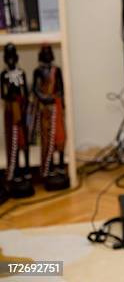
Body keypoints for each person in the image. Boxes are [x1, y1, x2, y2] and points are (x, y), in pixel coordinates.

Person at [30, 45, 69, 190]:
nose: (47, 56)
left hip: (56, 107)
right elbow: (35, 89)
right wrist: (44, 98)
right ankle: (50, 167)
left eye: (49, 54)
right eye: (44, 54)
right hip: (45, 109)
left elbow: (61, 88)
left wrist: (58, 100)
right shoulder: (37, 71)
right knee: (47, 139)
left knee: (60, 137)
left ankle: (60, 166)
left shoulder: (56, 70)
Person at [1, 43, 34, 197]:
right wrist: (11, 99)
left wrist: (24, 105)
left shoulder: (21, 73)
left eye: (13, 57)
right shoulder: (4, 75)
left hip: (21, 109)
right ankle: (17, 171)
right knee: (13, 143)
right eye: (8, 58)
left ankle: (27, 170)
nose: (11, 60)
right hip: (10, 111)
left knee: (24, 142)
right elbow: (3, 94)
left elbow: (26, 93)